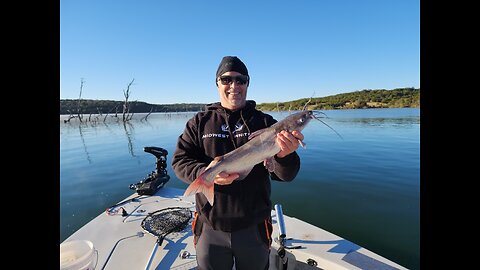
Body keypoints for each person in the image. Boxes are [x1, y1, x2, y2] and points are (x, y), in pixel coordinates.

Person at [171, 56, 304, 270]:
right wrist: (205, 172)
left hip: (254, 227)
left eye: (241, 80)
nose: (234, 86)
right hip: (210, 227)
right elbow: (179, 161)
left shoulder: (265, 123)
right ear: (217, 83)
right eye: (226, 80)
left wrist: (284, 155)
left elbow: (286, 175)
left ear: (247, 84)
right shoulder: (199, 123)